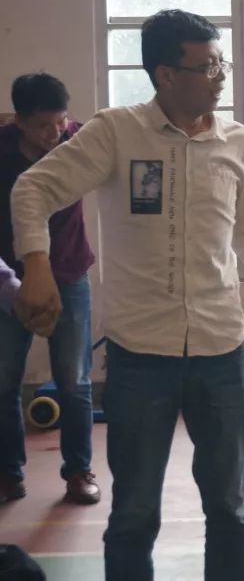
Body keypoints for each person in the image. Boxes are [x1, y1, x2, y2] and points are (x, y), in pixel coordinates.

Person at [11, 9, 244, 581]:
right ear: (165, 74)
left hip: (221, 353)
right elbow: (33, 189)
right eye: (207, 66)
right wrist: (36, 263)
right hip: (140, 357)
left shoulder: (234, 139)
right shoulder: (116, 132)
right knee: (134, 515)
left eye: (221, 63)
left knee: (231, 511)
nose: (220, 76)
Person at [0, 73, 99, 506]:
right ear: (19, 121)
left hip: (70, 273)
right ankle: (8, 473)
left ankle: (78, 470)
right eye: (43, 125)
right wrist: (12, 287)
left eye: (60, 121)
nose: (54, 133)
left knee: (74, 382)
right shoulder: (2, 152)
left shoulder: (78, 140)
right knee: (4, 379)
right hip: (9, 278)